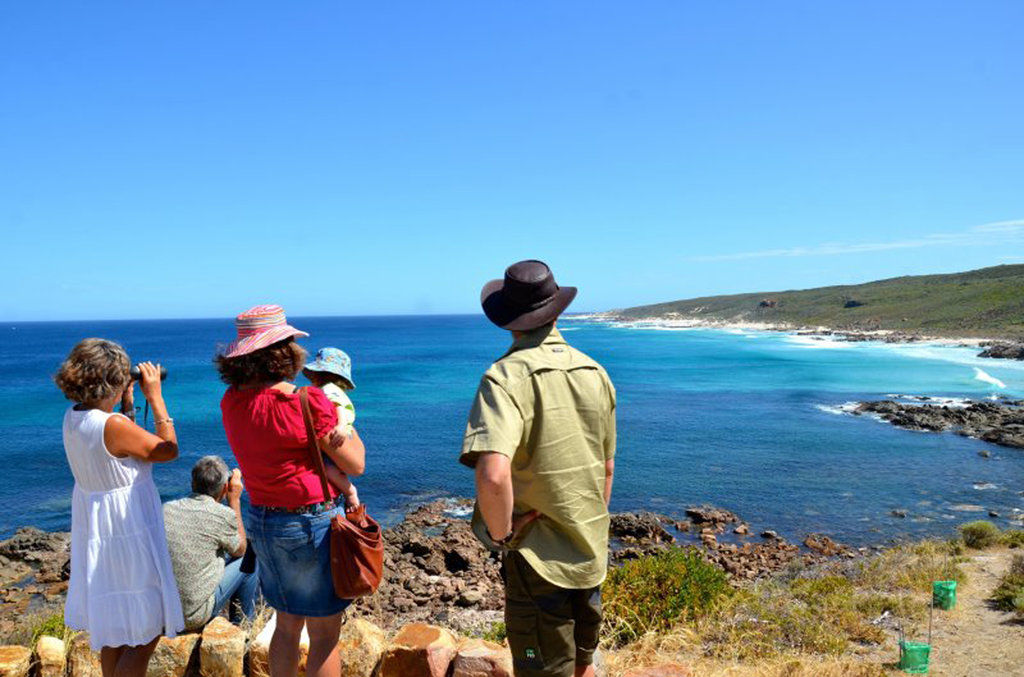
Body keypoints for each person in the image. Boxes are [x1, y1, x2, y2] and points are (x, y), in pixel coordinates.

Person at [460, 261, 617, 677]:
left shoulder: (504, 378)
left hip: (536, 557)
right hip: (588, 548)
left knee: (538, 669)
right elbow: (607, 466)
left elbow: (493, 474)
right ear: (556, 310)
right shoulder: (595, 373)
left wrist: (502, 535)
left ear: (509, 320)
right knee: (582, 664)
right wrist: (588, 520)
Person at [216, 305, 366, 677]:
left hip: (263, 522)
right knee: (325, 634)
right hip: (309, 525)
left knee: (286, 626)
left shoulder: (232, 402)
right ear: (283, 352)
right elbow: (356, 463)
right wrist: (346, 417)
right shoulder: (306, 401)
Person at [56, 339, 184, 677]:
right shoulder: (113, 426)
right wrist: (154, 397)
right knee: (147, 629)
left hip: (101, 530)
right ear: (111, 380)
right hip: (130, 530)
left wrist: (126, 404)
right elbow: (167, 450)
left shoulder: (74, 418)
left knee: (114, 629)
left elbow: (119, 447)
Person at [163, 456, 259, 631]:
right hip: (192, 616)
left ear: (193, 483)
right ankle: (242, 628)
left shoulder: (167, 508)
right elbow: (240, 550)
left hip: (164, 613)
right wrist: (234, 501)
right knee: (250, 558)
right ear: (225, 487)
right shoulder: (221, 514)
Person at [302, 347, 359, 509]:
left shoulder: (328, 390)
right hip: (340, 434)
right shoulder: (334, 390)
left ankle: (350, 491)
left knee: (327, 468)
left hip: (337, 434)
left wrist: (340, 426)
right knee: (331, 469)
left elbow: (338, 406)